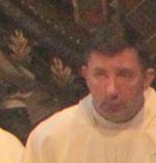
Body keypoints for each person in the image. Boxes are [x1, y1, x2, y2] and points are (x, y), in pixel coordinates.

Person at [23, 24, 156, 161]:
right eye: (100, 75)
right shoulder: (49, 139)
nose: (111, 90)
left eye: (124, 75)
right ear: (85, 75)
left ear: (147, 78)